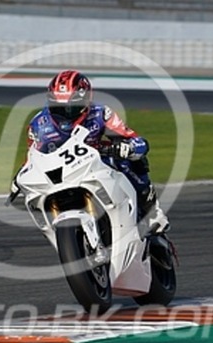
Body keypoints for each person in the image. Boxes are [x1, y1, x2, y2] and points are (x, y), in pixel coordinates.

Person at [18, 69, 169, 234]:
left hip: (96, 164)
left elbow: (134, 139)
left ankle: (151, 211)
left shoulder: (101, 113)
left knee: (131, 160)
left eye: (72, 106)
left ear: (86, 99)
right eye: (59, 107)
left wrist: (129, 147)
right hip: (61, 174)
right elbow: (33, 156)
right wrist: (21, 174)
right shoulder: (38, 123)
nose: (66, 112)